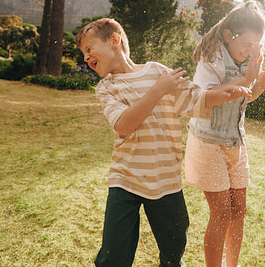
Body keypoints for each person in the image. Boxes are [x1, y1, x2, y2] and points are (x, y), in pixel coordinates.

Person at [74, 18, 255, 267]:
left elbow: (192, 98)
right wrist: (158, 91)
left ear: (114, 40)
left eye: (89, 48)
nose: (86, 57)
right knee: (113, 257)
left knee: (174, 247)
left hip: (166, 179)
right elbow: (123, 124)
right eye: (84, 53)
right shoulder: (107, 88)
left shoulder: (157, 72)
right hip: (125, 178)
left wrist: (221, 94)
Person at [184, 2, 265, 267]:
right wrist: (247, 79)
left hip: (235, 142)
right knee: (221, 213)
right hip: (207, 142)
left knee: (238, 211)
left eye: (258, 45)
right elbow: (207, 98)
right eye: (248, 43)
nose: (251, 51)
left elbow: (244, 97)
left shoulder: (248, 61)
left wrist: (260, 84)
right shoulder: (212, 58)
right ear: (230, 35)